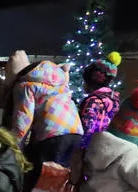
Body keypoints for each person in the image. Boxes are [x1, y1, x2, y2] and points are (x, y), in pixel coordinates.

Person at [8, 50, 83, 183]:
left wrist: (14, 148)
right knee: (62, 180)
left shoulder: (25, 85)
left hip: (52, 135)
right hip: (76, 132)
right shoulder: (57, 80)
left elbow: (23, 119)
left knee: (44, 183)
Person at [77, 52, 121, 145]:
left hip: (89, 152)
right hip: (105, 148)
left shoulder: (92, 101)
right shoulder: (114, 100)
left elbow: (84, 131)